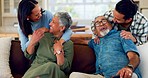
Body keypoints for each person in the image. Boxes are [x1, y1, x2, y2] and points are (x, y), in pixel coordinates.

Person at [69, 16, 142, 78]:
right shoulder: (95, 42)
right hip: (102, 76)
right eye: (97, 23)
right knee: (74, 75)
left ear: (111, 25)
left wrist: (129, 68)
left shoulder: (122, 35)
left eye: (104, 21)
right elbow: (80, 41)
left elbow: (134, 56)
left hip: (123, 74)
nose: (101, 24)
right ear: (95, 31)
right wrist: (61, 39)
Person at [22, 12, 74, 78]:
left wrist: (59, 52)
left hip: (55, 73)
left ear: (62, 28)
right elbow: (29, 56)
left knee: (51, 66)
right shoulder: (43, 36)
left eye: (53, 22)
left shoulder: (68, 44)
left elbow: (66, 69)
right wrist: (32, 42)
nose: (50, 24)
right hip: (36, 69)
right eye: (51, 21)